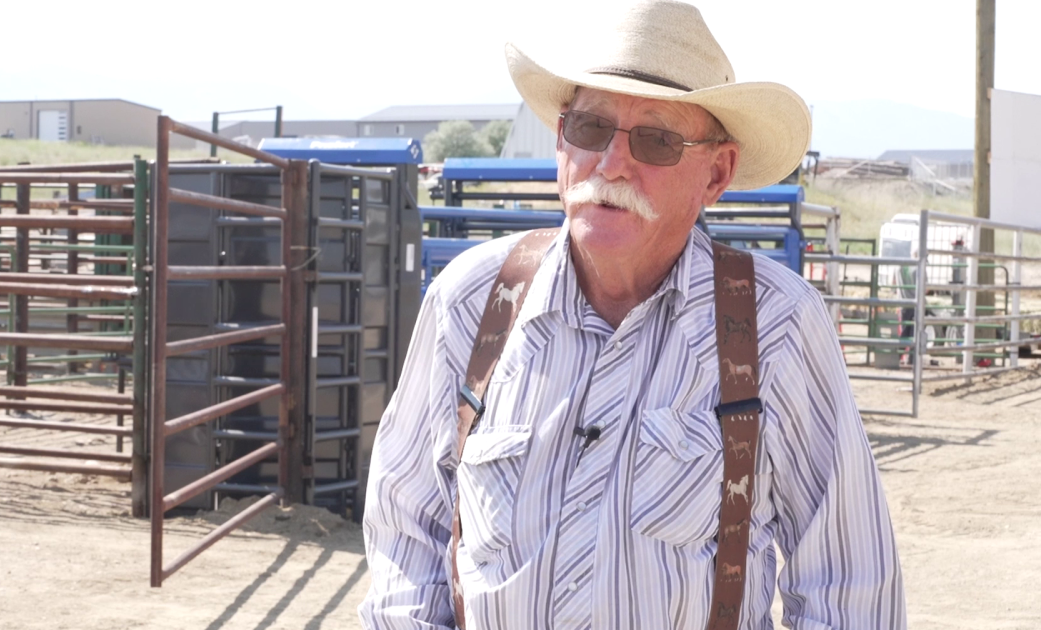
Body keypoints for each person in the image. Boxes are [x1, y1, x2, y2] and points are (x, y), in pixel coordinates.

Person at [359, 1, 905, 628]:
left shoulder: (774, 325)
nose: (611, 163)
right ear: (562, 137)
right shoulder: (475, 301)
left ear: (717, 172)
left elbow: (850, 586)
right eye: (590, 128)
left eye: (656, 140)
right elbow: (408, 528)